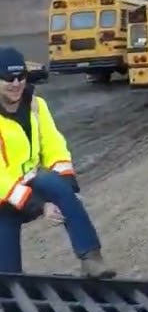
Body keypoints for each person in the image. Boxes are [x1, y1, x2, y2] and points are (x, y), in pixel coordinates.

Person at [0, 46, 115, 277]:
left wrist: (68, 187)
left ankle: (91, 258)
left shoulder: (36, 105)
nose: (16, 84)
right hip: (5, 198)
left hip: (30, 183)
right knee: (8, 277)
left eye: (21, 77)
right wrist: (39, 205)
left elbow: (54, 145)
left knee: (55, 182)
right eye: (8, 78)